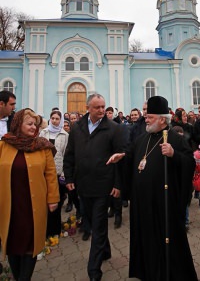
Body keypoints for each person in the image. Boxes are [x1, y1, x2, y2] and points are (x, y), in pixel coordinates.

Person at [120, 96, 198, 280]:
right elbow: (131, 159)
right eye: (146, 115)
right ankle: (148, 272)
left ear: (163, 119)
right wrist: (121, 158)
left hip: (164, 205)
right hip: (142, 204)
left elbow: (189, 163)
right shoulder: (141, 139)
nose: (145, 118)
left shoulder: (175, 139)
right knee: (146, 240)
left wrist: (174, 154)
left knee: (167, 241)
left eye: (150, 116)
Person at [63, 93, 126, 281]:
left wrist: (117, 184)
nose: (101, 110)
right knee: (91, 220)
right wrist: (69, 178)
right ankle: (105, 250)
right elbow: (70, 154)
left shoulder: (114, 128)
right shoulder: (77, 128)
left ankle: (94, 270)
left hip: (103, 185)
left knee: (97, 226)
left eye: (103, 107)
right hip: (83, 184)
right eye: (97, 107)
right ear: (88, 107)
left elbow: (120, 158)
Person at [0, 108, 59, 280]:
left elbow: (50, 174)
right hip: (9, 204)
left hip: (33, 205)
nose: (34, 127)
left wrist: (53, 199)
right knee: (12, 242)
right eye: (30, 124)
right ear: (18, 124)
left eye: (36, 124)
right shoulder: (4, 145)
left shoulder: (43, 147)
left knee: (30, 242)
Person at [40, 109, 71, 237]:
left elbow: (66, 155)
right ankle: (45, 230)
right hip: (44, 172)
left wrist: (63, 173)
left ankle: (55, 229)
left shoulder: (65, 135)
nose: (54, 120)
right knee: (44, 201)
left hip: (58, 173)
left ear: (61, 120)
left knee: (57, 202)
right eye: (52, 118)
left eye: (57, 119)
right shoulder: (43, 132)